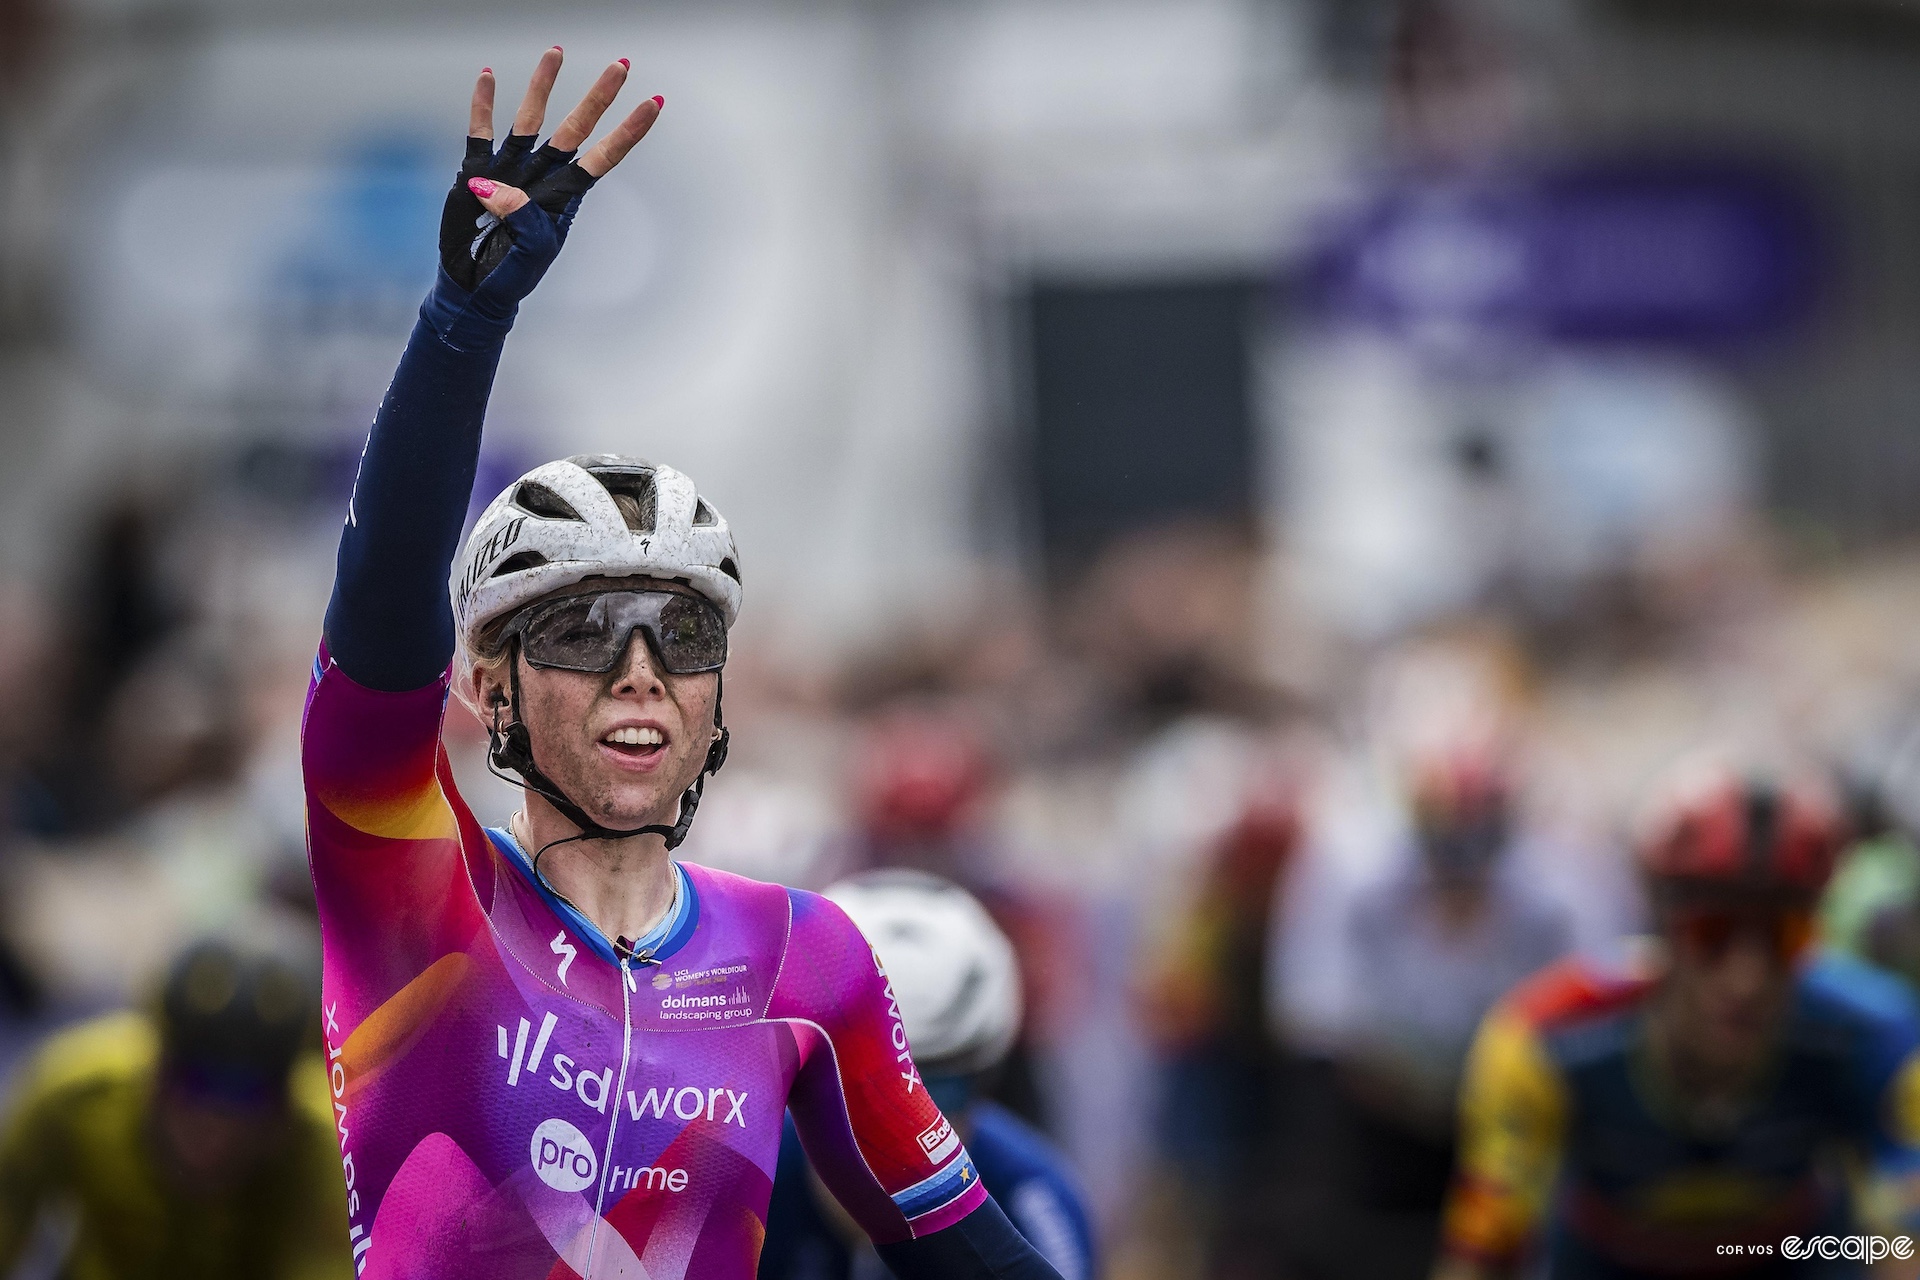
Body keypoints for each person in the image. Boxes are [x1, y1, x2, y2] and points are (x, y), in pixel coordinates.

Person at [302, 48, 1062, 1279]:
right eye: (585, 630)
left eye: (684, 634)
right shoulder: (416, 892)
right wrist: (464, 316)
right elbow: (382, 615)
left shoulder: (808, 959)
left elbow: (969, 1253)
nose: (641, 669)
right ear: (486, 684)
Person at [1434, 763, 1920, 1279]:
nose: (1745, 978)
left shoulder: (1878, 1037)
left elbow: (1903, 1245)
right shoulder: (1542, 1041)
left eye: (1785, 934)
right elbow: (1479, 1256)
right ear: (1659, 930)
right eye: (1711, 932)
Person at [759, 871, 1097, 1280]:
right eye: (850, 1089)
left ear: (985, 1082)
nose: (892, 1133)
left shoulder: (1035, 1201)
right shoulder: (730, 1178)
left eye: (939, 1092)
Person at [0, 935, 347, 1279]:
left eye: (249, 1094)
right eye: (193, 1081)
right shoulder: (74, 1094)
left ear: (289, 1095)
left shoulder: (332, 1151)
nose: (216, 1122)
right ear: (153, 1064)